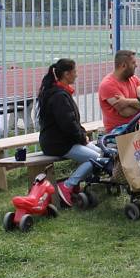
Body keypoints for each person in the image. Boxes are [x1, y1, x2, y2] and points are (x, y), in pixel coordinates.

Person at [38, 58, 102, 206]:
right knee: (95, 159)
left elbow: (72, 122)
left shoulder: (60, 92)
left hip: (63, 140)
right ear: (66, 74)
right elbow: (67, 124)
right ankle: (67, 186)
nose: (77, 75)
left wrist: (82, 135)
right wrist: (81, 137)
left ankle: (74, 185)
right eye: (75, 71)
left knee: (102, 154)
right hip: (57, 144)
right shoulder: (59, 96)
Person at [98, 49, 140, 133]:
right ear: (124, 65)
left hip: (138, 127)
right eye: (133, 63)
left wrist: (127, 101)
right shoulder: (108, 84)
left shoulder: (134, 79)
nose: (136, 65)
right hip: (119, 132)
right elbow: (126, 112)